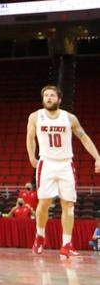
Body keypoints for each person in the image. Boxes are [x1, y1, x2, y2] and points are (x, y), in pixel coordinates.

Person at [27, 84, 100, 257]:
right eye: (46, 96)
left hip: (66, 163)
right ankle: (40, 236)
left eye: (52, 95)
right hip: (46, 163)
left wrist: (97, 157)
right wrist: (32, 156)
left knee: (68, 204)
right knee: (44, 203)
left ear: (59, 99)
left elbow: (83, 136)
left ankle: (66, 244)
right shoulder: (36, 116)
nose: (49, 98)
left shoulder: (69, 118)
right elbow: (30, 138)